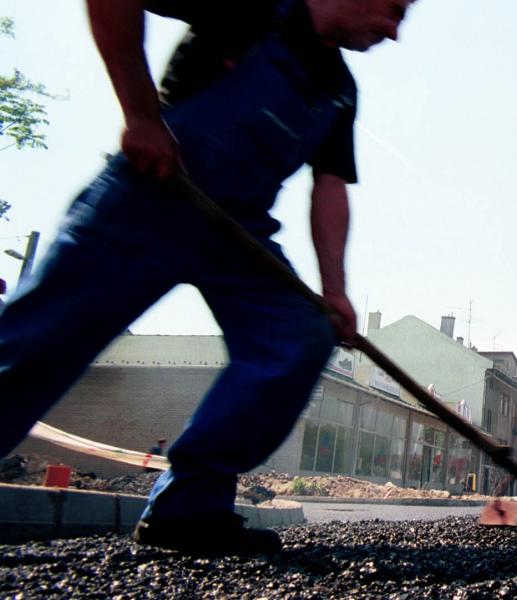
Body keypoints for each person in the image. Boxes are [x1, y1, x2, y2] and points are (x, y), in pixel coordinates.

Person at [0, 0, 416, 555]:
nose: (393, 33)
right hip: (152, 195)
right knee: (41, 339)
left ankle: (189, 507)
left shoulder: (338, 89)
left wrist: (334, 290)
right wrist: (142, 116)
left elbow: (331, 187)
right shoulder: (255, 9)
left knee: (298, 334)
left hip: (238, 233)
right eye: (392, 11)